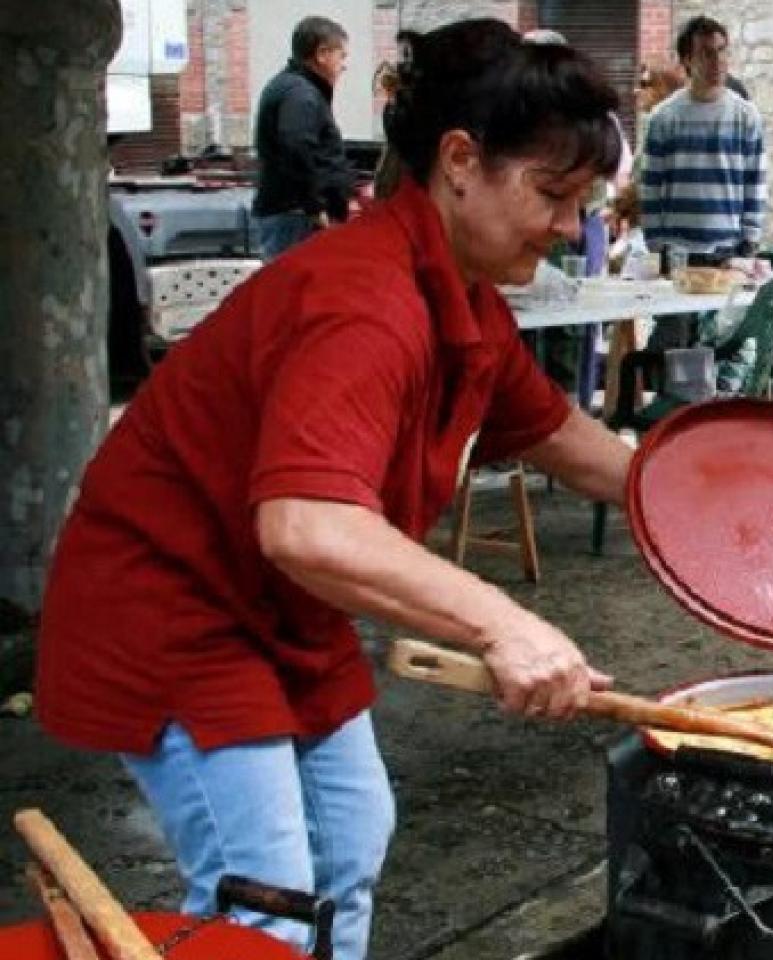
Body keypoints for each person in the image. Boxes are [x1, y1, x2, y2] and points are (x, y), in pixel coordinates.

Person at [35, 21, 633, 960]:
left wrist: (704, 509)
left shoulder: (462, 294)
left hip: (286, 618)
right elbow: (307, 526)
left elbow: (557, 434)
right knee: (265, 894)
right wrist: (506, 625)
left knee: (350, 844)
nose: (570, 227)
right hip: (176, 607)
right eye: (553, 194)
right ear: (460, 161)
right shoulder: (364, 302)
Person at [640, 16, 767, 348]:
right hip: (679, 255)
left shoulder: (746, 116)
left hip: (727, 252)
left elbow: (755, 184)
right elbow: (651, 188)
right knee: (673, 351)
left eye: (722, 52)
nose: (718, 62)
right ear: (687, 60)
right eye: (707, 54)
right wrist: (658, 247)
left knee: (727, 350)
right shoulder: (664, 118)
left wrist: (748, 244)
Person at [253, 17, 357, 259]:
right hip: (296, 219)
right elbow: (296, 146)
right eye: (341, 56)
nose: (344, 65)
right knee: (293, 291)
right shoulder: (301, 95)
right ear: (322, 54)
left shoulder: (295, 89)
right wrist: (315, 207)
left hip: (292, 216)